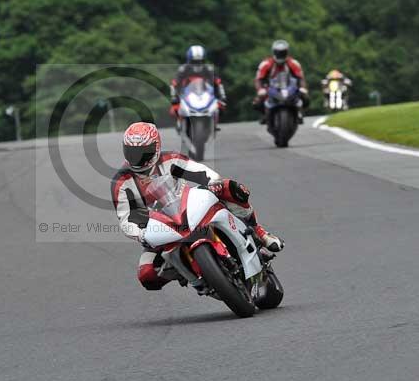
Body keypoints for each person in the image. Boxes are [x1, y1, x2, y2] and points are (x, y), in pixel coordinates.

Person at [111, 122, 284, 291]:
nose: (138, 158)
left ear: (156, 147)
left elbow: (201, 171)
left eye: (144, 152)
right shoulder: (122, 182)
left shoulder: (170, 160)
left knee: (230, 188)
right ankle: (185, 272)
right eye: (132, 152)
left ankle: (259, 232)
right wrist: (141, 234)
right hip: (158, 229)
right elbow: (126, 218)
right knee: (146, 275)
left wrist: (213, 182)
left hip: (187, 207)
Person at [253, 40, 309, 123]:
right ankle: (265, 115)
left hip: (289, 88)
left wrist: (303, 88)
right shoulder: (266, 64)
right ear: (274, 52)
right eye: (278, 52)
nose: (280, 55)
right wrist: (260, 89)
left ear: (287, 52)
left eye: (282, 52)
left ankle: (299, 113)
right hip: (271, 88)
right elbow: (258, 79)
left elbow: (300, 78)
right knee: (256, 102)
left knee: (305, 98)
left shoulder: (293, 63)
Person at [170, 45, 226, 117]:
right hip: (186, 94)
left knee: (222, 106)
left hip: (205, 93)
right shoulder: (183, 69)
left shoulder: (208, 68)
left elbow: (218, 82)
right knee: (174, 109)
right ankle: (180, 122)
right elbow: (174, 83)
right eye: (194, 61)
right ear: (189, 59)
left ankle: (214, 120)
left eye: (199, 61)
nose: (197, 64)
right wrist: (174, 96)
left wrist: (222, 95)